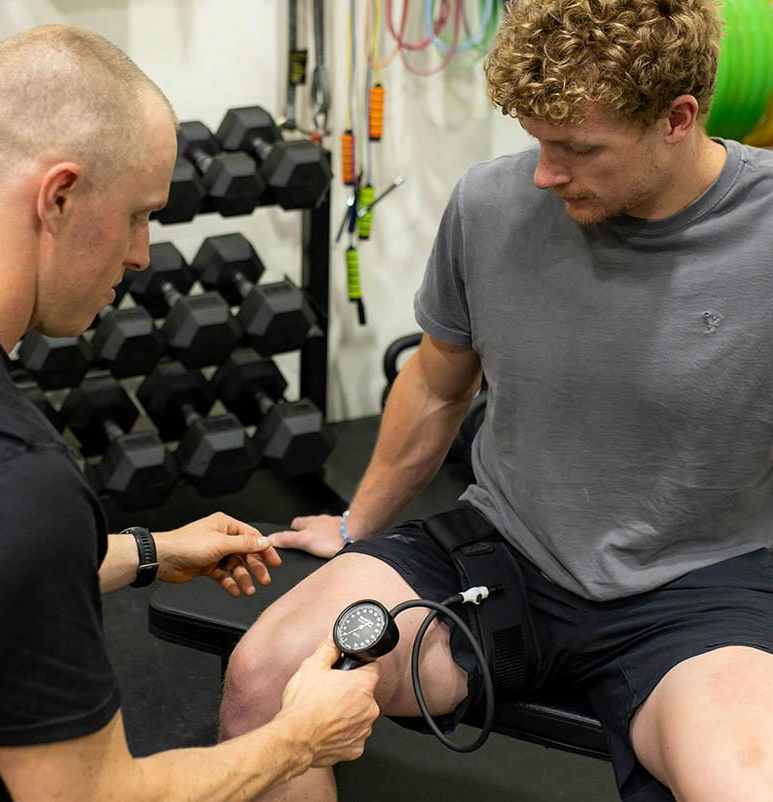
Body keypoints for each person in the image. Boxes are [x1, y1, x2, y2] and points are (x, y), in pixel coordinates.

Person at [0, 25, 382, 802]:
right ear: (58, 196)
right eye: (136, 214)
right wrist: (297, 740)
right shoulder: (9, 480)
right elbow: (93, 797)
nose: (141, 254)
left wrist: (152, 552)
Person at [220, 1, 773, 800]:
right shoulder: (490, 204)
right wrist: (356, 524)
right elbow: (439, 382)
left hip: (695, 590)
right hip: (506, 552)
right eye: (537, 141)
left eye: (579, 149)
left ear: (678, 119)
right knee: (265, 684)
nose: (547, 174)